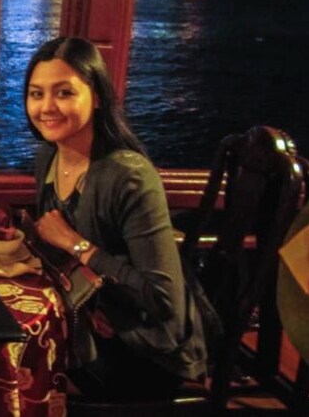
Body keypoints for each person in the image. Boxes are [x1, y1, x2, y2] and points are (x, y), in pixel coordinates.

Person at [23, 36, 206, 401]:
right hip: (86, 319)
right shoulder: (49, 156)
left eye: (64, 93)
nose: (46, 107)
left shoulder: (128, 176)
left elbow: (162, 298)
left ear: (99, 97)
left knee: (19, 372)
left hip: (142, 350)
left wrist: (75, 244)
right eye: (36, 93)